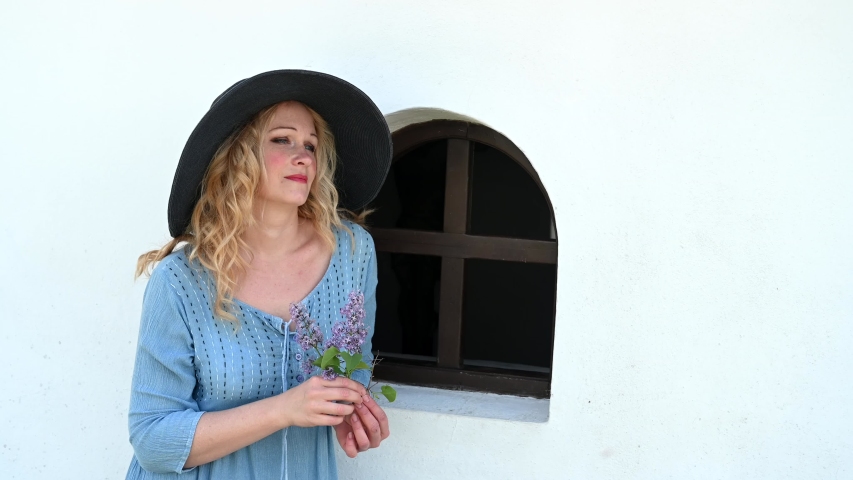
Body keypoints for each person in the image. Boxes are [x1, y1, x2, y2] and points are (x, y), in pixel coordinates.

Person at [126, 70, 393, 479]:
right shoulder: (181, 281)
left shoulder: (353, 253)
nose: (302, 155)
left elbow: (350, 368)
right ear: (239, 154)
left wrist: (349, 415)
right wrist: (284, 409)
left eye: (310, 145)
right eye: (281, 139)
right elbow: (152, 440)